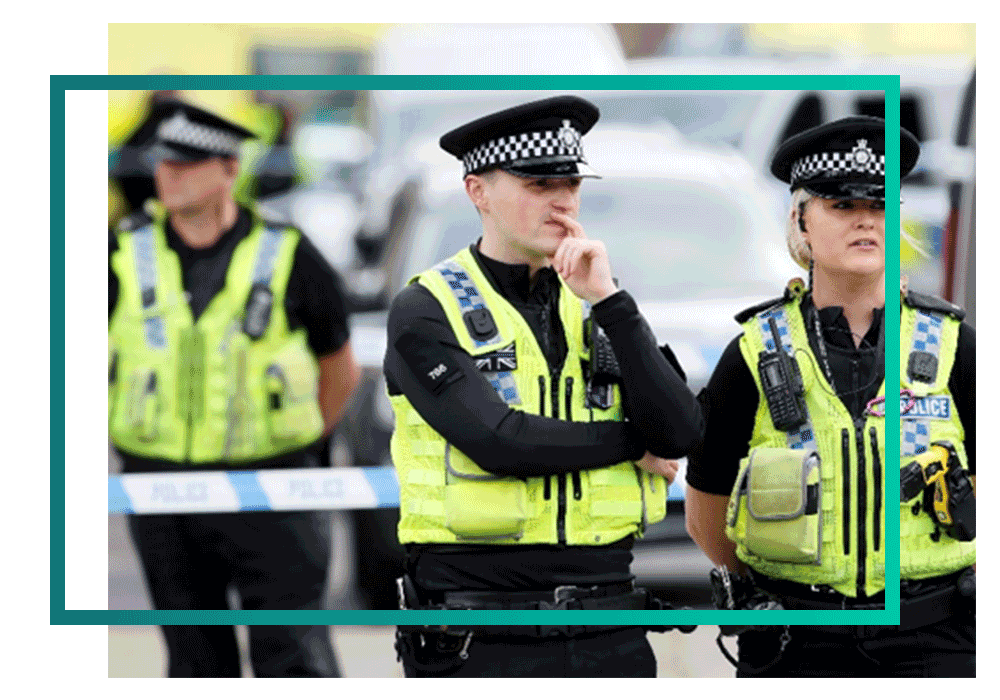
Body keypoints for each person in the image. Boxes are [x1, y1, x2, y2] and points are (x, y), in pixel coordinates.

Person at [383, 95, 704, 678]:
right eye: (538, 182)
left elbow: (680, 430)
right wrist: (631, 443)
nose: (563, 200)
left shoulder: (597, 300)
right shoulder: (425, 308)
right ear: (477, 191)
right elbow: (502, 442)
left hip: (609, 623)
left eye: (572, 183)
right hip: (478, 632)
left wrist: (611, 303)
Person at [685, 116, 975, 677]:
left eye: (880, 206)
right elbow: (706, 512)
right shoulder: (751, 352)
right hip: (797, 640)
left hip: (936, 637)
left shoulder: (956, 346)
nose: (866, 219)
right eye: (842, 206)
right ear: (801, 221)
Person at [108, 99, 361, 677]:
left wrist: (298, 440)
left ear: (228, 170)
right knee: (195, 658)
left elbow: (339, 366)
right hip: (162, 487)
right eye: (164, 163)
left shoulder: (288, 252)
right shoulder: (123, 251)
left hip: (271, 485)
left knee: (292, 654)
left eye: (187, 164)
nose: (168, 175)